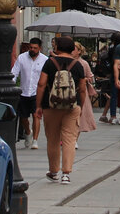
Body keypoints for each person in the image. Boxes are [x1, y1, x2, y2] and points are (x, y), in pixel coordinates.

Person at [34, 36, 86, 185]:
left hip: (51, 106)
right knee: (69, 139)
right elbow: (82, 89)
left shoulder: (49, 63)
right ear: (72, 49)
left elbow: (41, 84)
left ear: (57, 48)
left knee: (53, 140)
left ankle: (53, 171)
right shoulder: (78, 65)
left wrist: (38, 106)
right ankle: (66, 174)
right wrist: (80, 106)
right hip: (72, 105)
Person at [11, 38, 48, 149]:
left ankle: (35, 140)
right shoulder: (22, 58)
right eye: (31, 47)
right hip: (24, 91)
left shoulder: (45, 60)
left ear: (39, 48)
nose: (32, 49)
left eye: (35, 48)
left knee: (36, 116)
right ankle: (28, 132)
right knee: (23, 118)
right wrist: (11, 84)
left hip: (37, 93)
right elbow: (14, 72)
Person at [72, 42, 97, 141]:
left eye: (74, 49)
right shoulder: (66, 61)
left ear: (79, 51)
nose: (72, 51)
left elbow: (90, 77)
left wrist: (85, 79)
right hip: (68, 91)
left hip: (80, 91)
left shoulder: (84, 63)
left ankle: (75, 139)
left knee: (79, 115)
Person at [93, 44, 114, 123]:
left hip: (104, 81)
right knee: (112, 97)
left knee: (111, 98)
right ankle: (107, 115)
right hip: (107, 81)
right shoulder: (108, 60)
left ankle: (104, 115)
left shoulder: (101, 62)